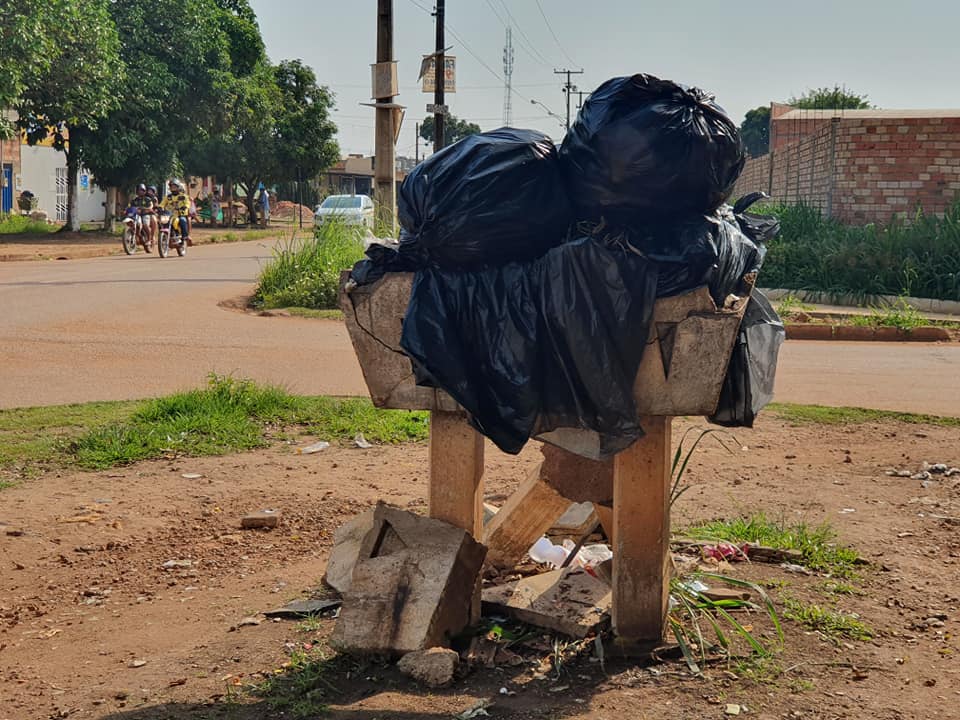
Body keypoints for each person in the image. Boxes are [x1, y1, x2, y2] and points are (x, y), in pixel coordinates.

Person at [161, 179, 192, 246]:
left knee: (182, 220)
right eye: (171, 187)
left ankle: (184, 237)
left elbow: (187, 203)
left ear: (178, 187)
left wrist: (185, 206)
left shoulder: (183, 196)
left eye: (174, 187)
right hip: (169, 215)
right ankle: (166, 237)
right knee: (163, 221)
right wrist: (160, 207)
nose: (173, 188)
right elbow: (162, 204)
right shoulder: (168, 197)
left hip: (180, 214)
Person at [130, 183, 155, 250]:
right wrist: (126, 210)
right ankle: (137, 236)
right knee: (132, 223)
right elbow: (130, 206)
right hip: (137, 215)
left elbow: (150, 206)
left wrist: (146, 209)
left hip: (145, 215)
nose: (140, 192)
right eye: (138, 190)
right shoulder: (134, 200)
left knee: (145, 224)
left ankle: (149, 239)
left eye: (141, 190)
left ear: (144, 191)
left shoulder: (147, 199)